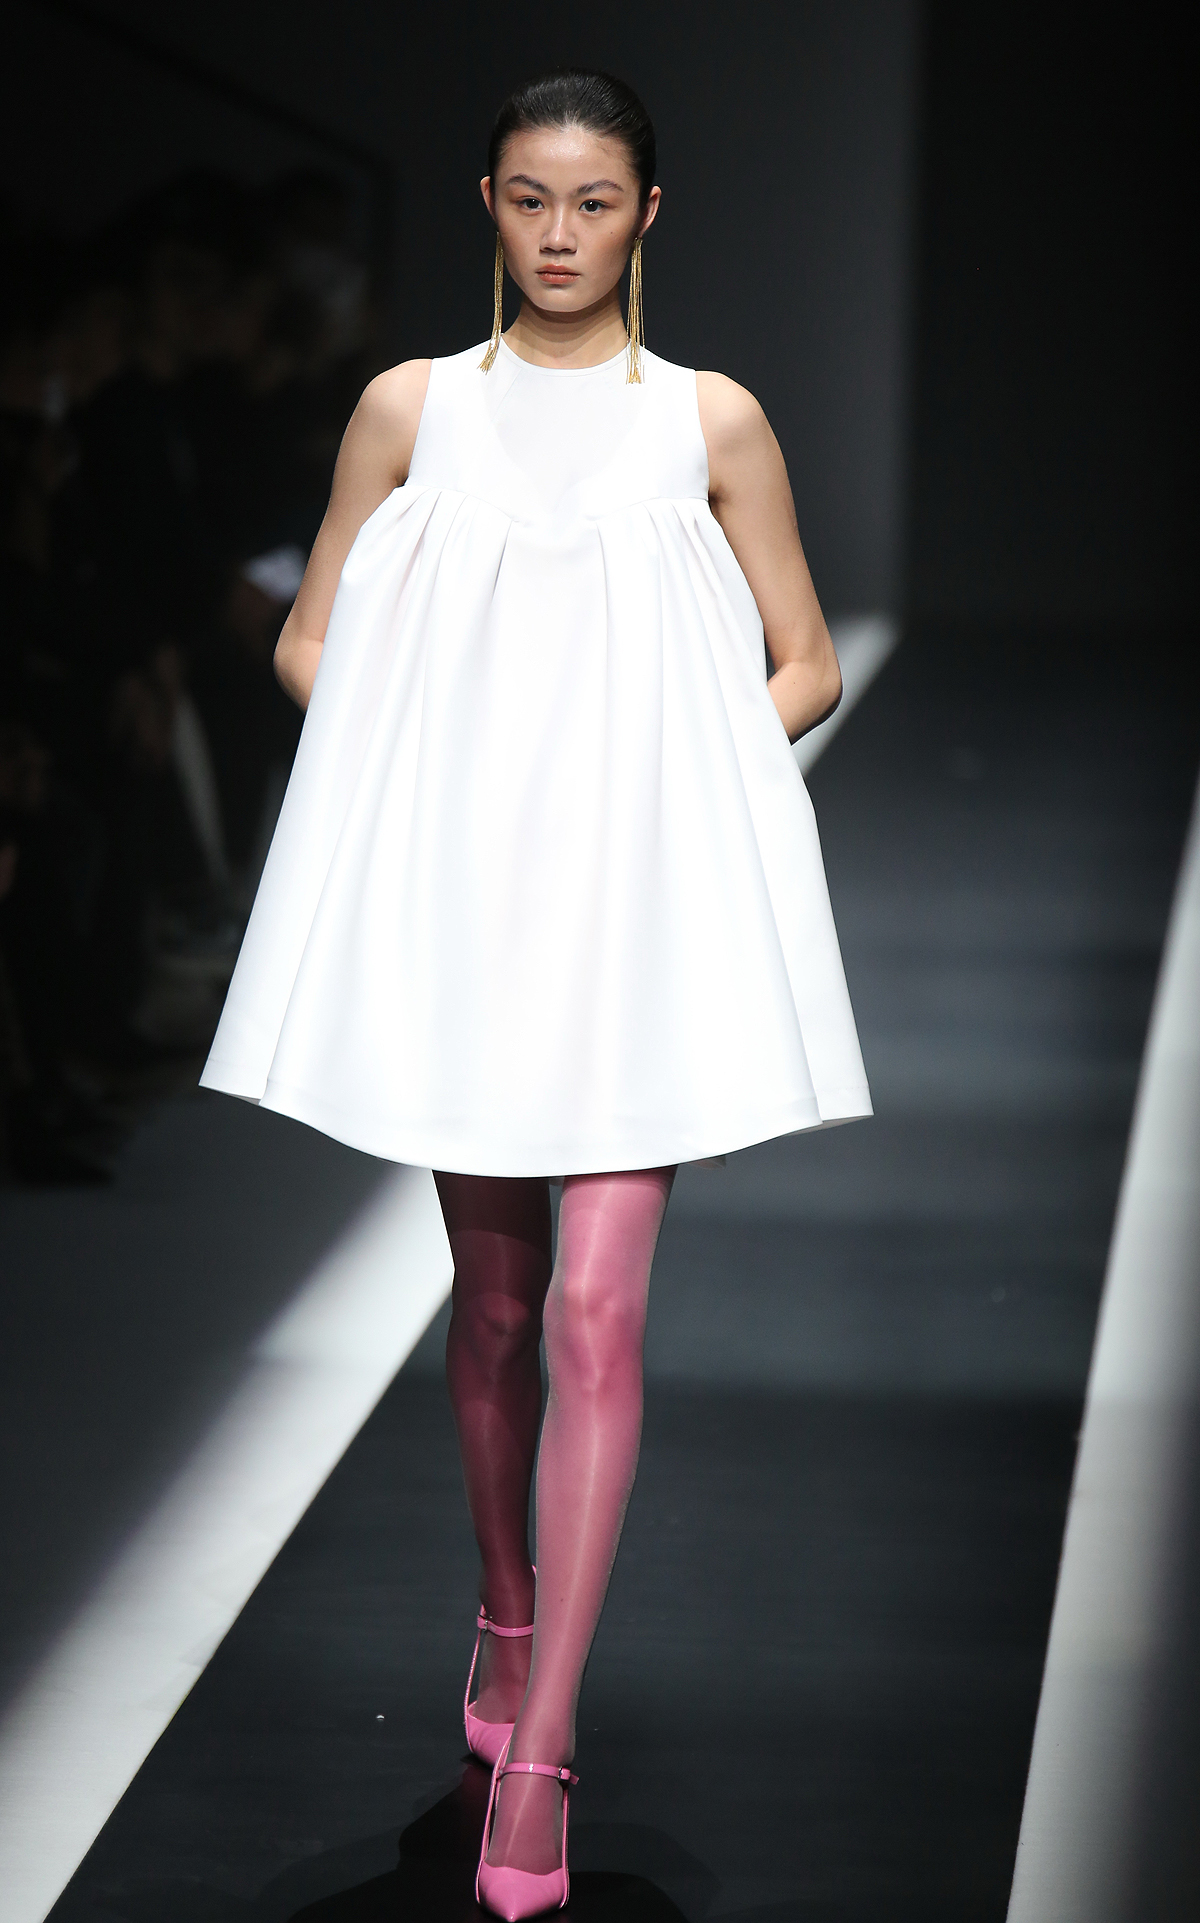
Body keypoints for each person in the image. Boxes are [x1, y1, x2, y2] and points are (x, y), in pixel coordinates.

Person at [199, 69, 871, 1920]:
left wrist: (662, 786)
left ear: (648, 216)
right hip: (475, 920)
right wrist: (427, 765)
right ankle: (503, 1613)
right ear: (487, 207)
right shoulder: (409, 411)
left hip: (635, 922)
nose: (558, 234)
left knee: (593, 1312)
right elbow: (312, 635)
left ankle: (545, 1745)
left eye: (590, 202)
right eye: (526, 199)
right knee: (494, 1310)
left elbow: (804, 661)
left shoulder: (710, 423)